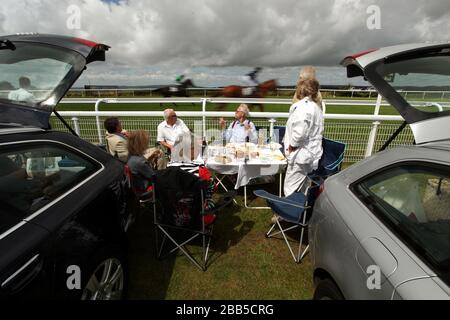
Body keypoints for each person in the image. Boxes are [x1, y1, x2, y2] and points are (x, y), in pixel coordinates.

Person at [284, 78, 324, 197]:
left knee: (290, 187)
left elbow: (299, 132)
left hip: (301, 154)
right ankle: (303, 213)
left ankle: (287, 213)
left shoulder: (303, 107)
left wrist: (292, 146)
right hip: (310, 153)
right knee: (304, 185)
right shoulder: (316, 107)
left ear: (301, 90)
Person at [126, 130, 163, 195]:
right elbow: (154, 177)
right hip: (145, 187)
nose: (147, 144)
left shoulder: (131, 156)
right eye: (146, 142)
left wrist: (150, 158)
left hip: (137, 184)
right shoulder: (140, 161)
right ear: (141, 144)